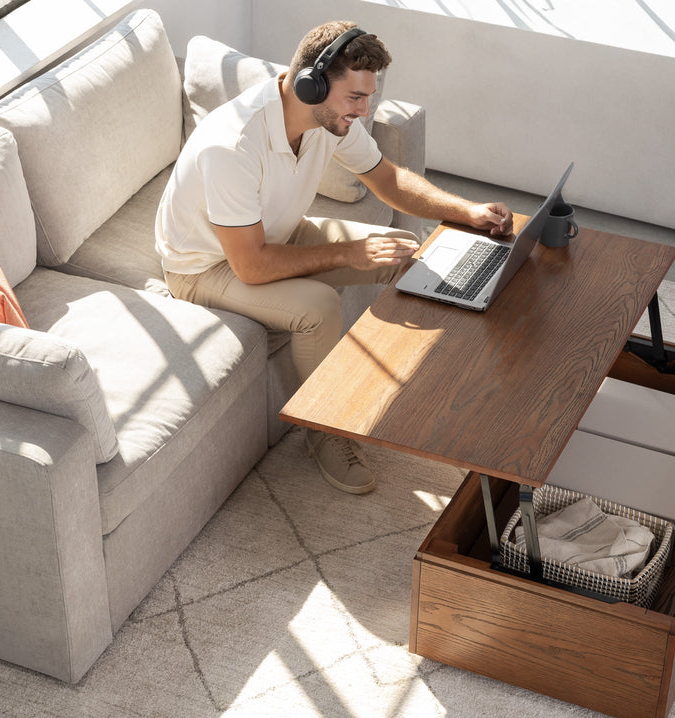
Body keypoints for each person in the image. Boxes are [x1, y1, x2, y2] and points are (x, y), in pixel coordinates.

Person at [155, 21, 513, 495]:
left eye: (368, 97)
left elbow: (387, 179)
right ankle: (325, 432)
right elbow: (252, 267)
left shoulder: (328, 120)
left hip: (275, 234)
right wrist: (348, 252)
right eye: (355, 98)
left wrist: (466, 210)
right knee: (319, 307)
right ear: (313, 84)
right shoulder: (233, 146)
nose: (364, 111)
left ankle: (434, 383)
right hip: (206, 267)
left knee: (404, 253)